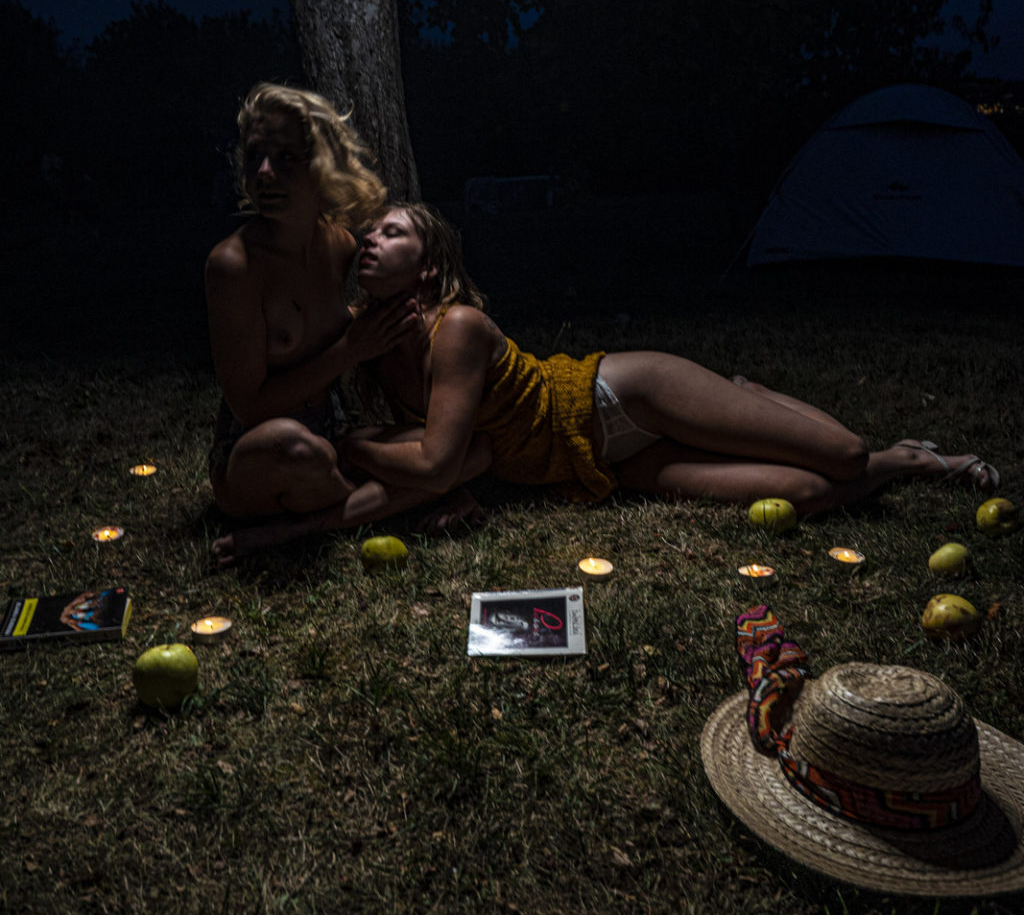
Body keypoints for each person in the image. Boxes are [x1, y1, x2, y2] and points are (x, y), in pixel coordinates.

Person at [214, 201, 999, 562]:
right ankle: (906, 460)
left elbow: (433, 461)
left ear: (428, 266)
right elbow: (454, 461)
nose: (371, 240)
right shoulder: (368, 346)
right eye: (370, 233)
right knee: (806, 494)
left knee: (843, 454)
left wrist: (351, 442)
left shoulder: (459, 328)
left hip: (622, 395)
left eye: (394, 233)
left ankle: (762, 402)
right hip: (608, 464)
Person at [205, 86, 487, 565]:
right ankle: (389, 499)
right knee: (296, 448)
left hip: (334, 435)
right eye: (254, 157)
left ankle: (321, 516)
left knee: (474, 449)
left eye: (286, 157)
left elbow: (354, 325)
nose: (265, 172)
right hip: (258, 449)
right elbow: (249, 405)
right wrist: (351, 351)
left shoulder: (340, 246)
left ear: (323, 166)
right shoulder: (233, 265)